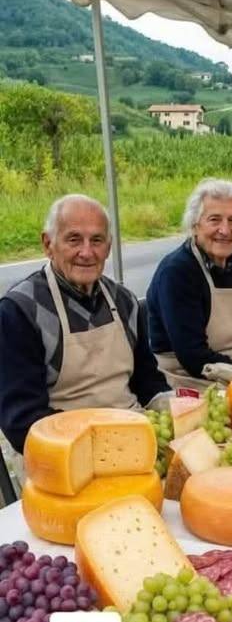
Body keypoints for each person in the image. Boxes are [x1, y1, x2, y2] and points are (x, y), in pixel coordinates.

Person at [0, 194, 171, 455]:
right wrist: (104, 441)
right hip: (64, 453)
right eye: (73, 239)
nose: (87, 252)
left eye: (97, 240)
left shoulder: (124, 302)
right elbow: (22, 423)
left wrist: (174, 408)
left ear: (109, 247)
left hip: (134, 439)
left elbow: (148, 383)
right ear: (48, 244)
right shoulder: (20, 311)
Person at [147, 178, 232, 389]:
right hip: (193, 380)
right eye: (214, 219)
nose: (225, 230)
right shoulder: (177, 272)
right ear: (195, 226)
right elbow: (193, 356)